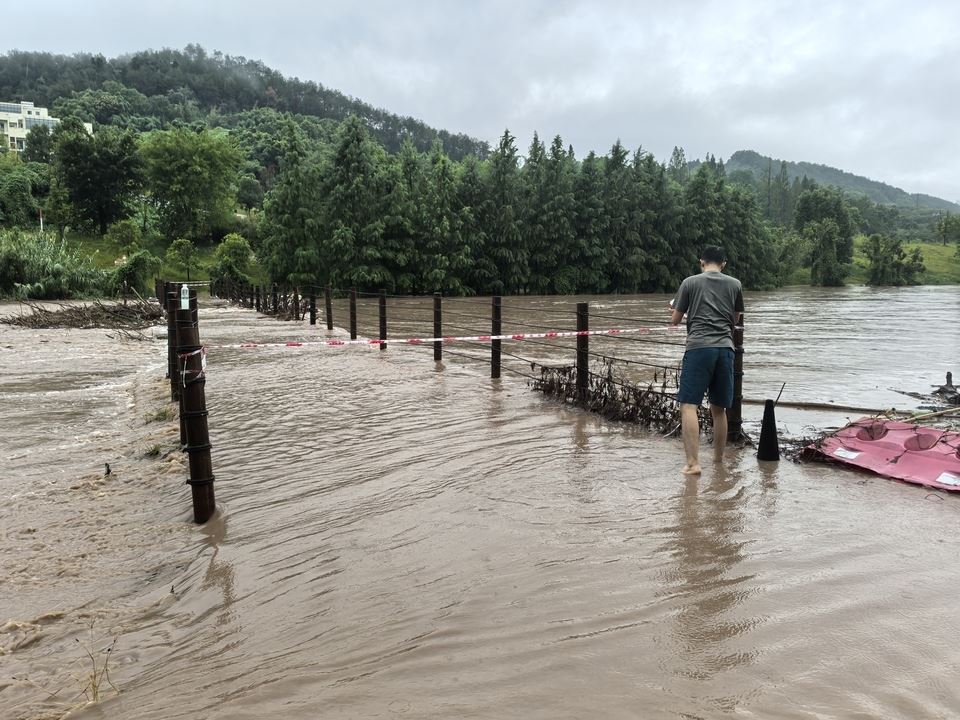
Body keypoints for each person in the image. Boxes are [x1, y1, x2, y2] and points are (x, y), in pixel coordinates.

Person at [669, 246, 744, 474]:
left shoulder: (690, 282)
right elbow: (736, 318)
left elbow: (675, 320)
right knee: (719, 408)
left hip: (699, 348)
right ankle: (718, 460)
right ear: (724, 263)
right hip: (725, 349)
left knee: (689, 405)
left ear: (701, 261)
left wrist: (673, 310)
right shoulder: (735, 284)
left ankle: (693, 464)